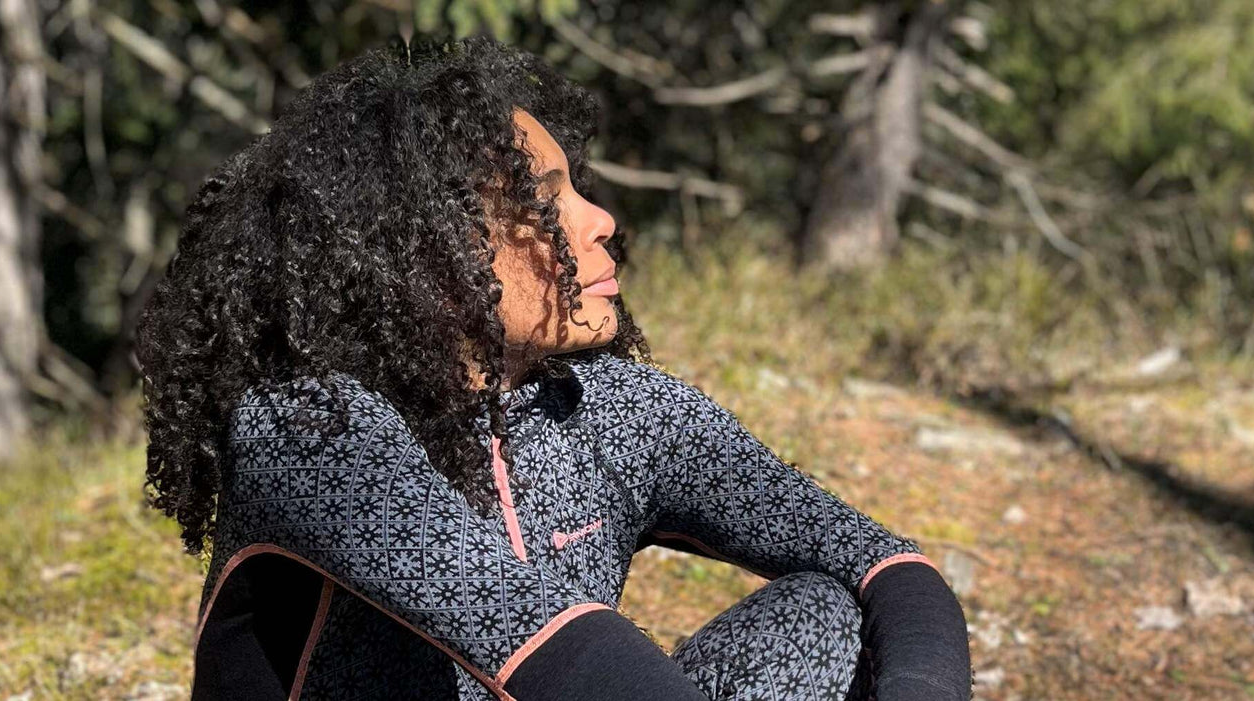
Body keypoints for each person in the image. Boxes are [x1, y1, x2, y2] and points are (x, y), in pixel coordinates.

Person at [135, 35, 971, 701]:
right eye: (545, 200)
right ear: (427, 250)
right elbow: (551, 647)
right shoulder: (310, 430)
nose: (601, 220)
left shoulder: (608, 409)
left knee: (837, 617)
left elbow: (888, 565)